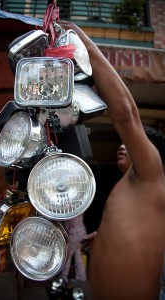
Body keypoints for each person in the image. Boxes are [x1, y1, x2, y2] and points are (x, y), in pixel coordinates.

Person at [58, 20, 165, 300]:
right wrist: (104, 238)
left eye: (132, 146)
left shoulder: (151, 175)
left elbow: (126, 115)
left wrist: (80, 38)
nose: (122, 146)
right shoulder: (129, 188)